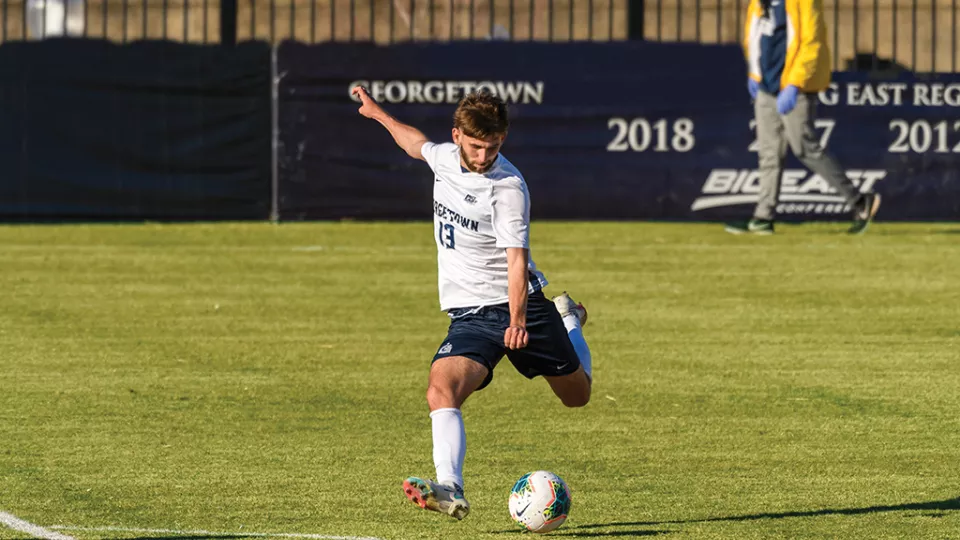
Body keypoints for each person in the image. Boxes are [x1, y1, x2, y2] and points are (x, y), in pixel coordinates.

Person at [351, 86, 594, 521]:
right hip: (471, 315)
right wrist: (378, 116)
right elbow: (414, 143)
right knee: (439, 389)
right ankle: (449, 487)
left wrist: (519, 320)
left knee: (577, 397)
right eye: (478, 146)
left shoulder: (508, 187)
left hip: (522, 307)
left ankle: (569, 321)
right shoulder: (445, 157)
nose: (484, 157)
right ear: (458, 136)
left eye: (494, 147)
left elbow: (516, 262)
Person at [726, 0, 881, 235]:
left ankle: (859, 202)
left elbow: (811, 42)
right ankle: (763, 217)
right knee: (769, 152)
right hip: (767, 86)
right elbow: (753, 37)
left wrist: (795, 84)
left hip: (794, 87)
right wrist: (754, 73)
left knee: (804, 147)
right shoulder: (759, 3)